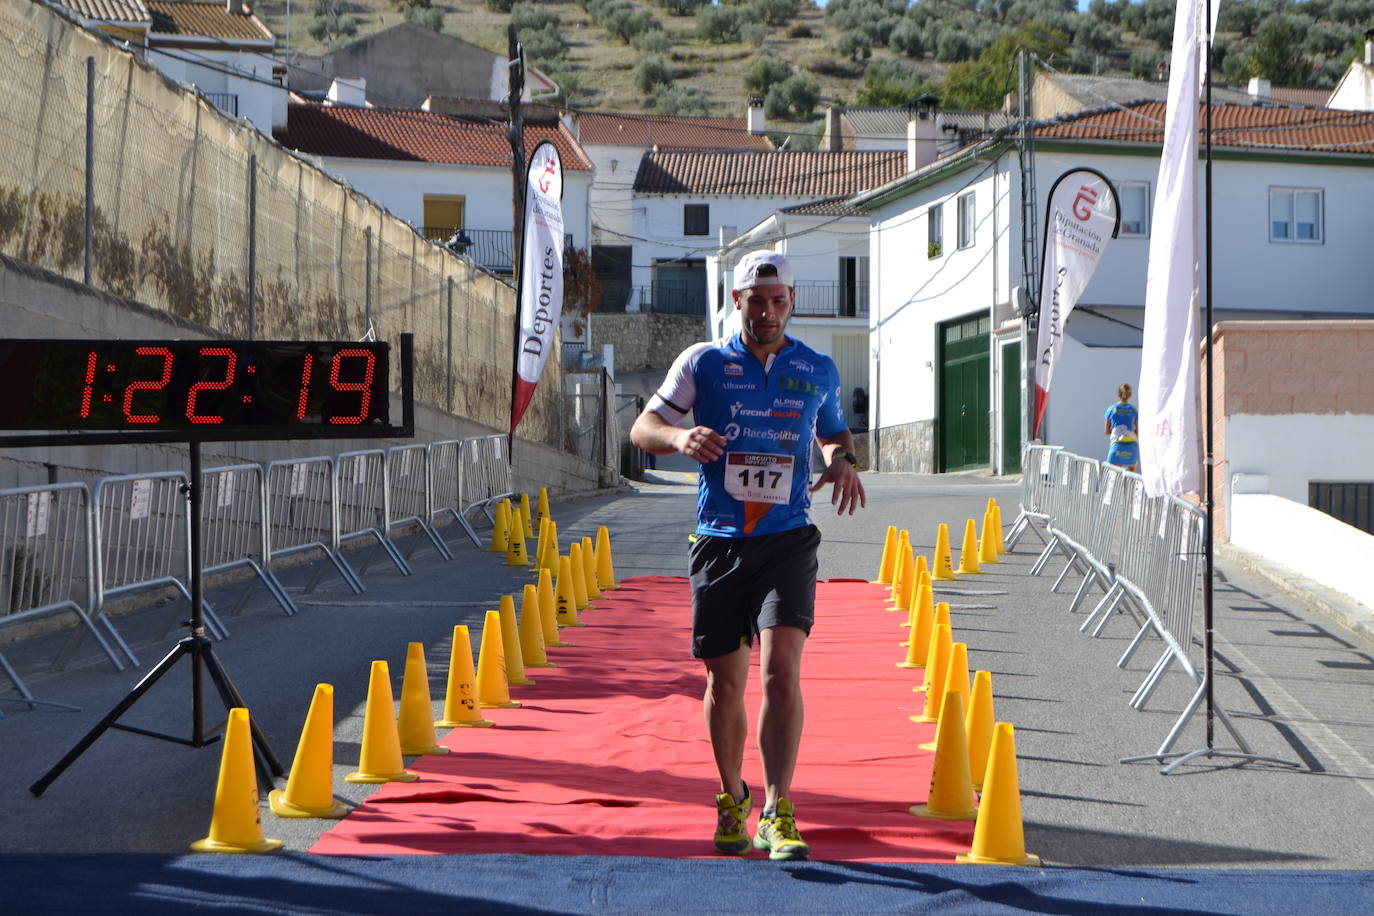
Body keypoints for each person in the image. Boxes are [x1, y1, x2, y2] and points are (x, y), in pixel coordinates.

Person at [630, 250, 866, 861]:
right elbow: (643, 429)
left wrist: (843, 460)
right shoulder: (702, 362)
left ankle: (778, 808)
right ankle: (732, 795)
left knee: (782, 673)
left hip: (788, 540)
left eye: (777, 301)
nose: (766, 312)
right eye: (755, 301)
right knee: (725, 682)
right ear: (737, 301)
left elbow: (835, 433)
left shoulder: (816, 368)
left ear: (792, 302)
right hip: (720, 542)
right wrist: (680, 436)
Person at [1104, 382, 1140, 472]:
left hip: (1117, 444)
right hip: (1132, 445)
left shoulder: (1111, 409)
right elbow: (1138, 432)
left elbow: (1107, 431)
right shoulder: (1134, 410)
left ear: (1117, 395)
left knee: (1114, 474)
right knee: (1132, 477)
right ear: (1130, 395)